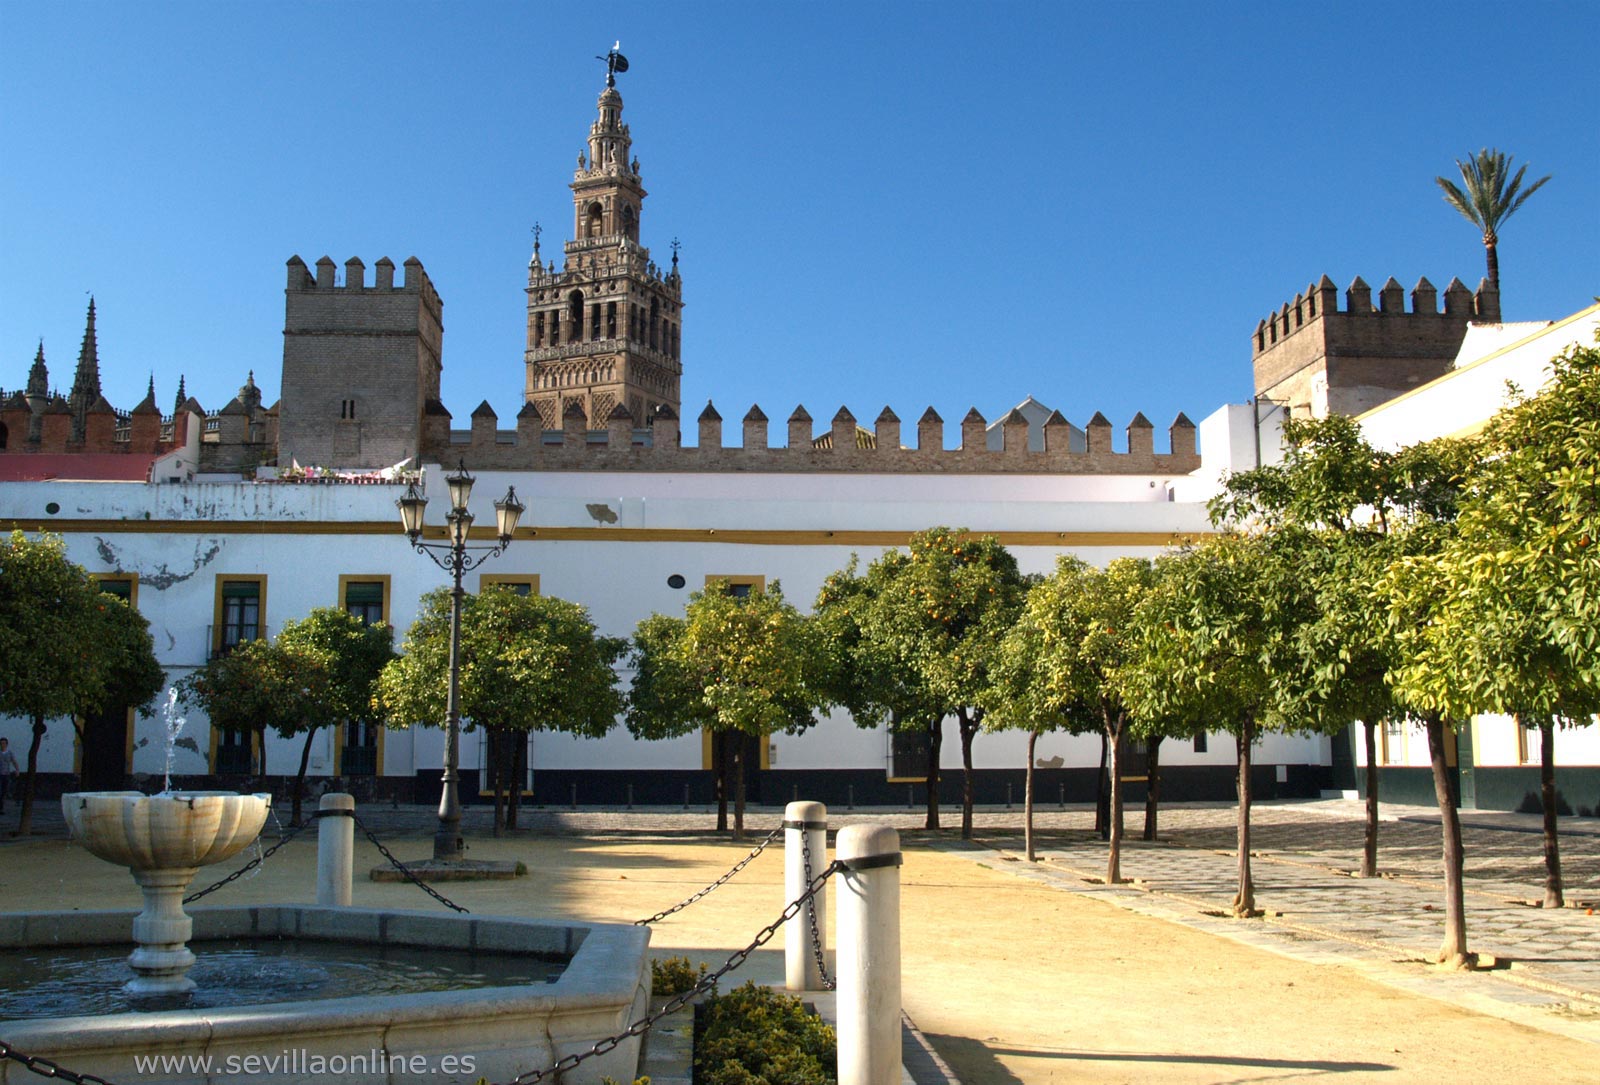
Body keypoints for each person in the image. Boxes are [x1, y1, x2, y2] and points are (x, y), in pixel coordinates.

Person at [0, 737, 18, 814]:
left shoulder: (9, 753)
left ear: (6, 744)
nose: (2, 745)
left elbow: (14, 761)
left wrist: (17, 769)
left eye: (4, 743)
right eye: (1, 743)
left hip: (6, 774)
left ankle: (1, 807)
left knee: (4, 791)